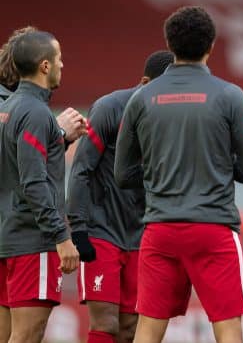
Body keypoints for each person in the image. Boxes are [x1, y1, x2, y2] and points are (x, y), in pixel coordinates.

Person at [114, 6, 243, 343]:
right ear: (211, 46)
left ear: (170, 45)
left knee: (148, 330)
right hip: (213, 230)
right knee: (227, 328)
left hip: (160, 230)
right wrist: (217, 167)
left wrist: (160, 174)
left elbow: (123, 174)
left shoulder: (142, 98)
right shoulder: (230, 96)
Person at [66, 50, 174, 343]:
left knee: (131, 329)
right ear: (144, 82)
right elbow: (81, 170)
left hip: (142, 236)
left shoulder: (174, 120)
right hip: (102, 232)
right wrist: (78, 228)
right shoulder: (110, 108)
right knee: (106, 323)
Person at [0, 30, 80, 343]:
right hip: (32, 242)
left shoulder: (7, 110)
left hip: (8, 237)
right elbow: (33, 181)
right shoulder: (35, 113)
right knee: (27, 336)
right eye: (59, 58)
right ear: (45, 66)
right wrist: (61, 236)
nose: (63, 65)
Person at [0, 26, 87, 144]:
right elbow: (18, 156)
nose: (61, 65)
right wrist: (60, 132)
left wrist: (62, 137)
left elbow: (36, 155)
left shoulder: (31, 100)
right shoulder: (24, 106)